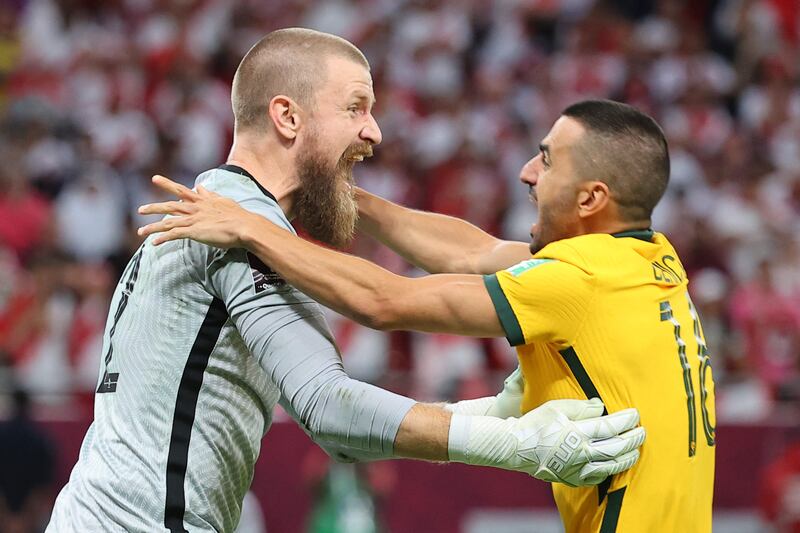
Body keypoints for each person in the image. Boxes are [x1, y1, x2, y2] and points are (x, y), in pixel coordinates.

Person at [47, 30, 645, 533]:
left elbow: (470, 253)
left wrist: (493, 412)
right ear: (287, 116)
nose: (375, 132)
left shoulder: (232, 213)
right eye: (356, 107)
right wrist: (515, 444)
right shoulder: (235, 227)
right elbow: (331, 407)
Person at [139, 99, 716, 532]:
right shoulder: (648, 259)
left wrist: (249, 225)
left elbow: (383, 302)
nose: (526, 172)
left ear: (591, 199)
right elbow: (471, 252)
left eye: (546, 159)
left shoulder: (578, 280)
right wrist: (348, 201)